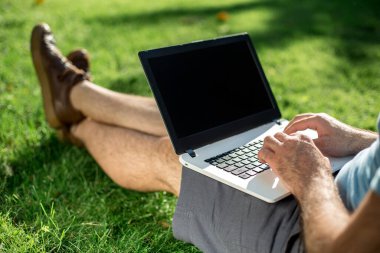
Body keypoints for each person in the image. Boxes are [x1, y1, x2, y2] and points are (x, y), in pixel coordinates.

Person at [31, 23, 380, 253]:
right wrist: (359, 141)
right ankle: (73, 95)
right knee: (203, 126)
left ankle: (77, 122)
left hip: (314, 229)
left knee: (175, 157)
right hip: (339, 180)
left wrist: (312, 177)